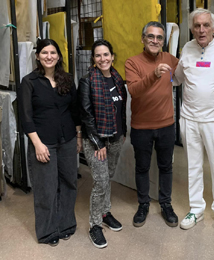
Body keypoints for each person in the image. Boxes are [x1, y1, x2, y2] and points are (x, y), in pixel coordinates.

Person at [173, 8, 214, 233]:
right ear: (191, 28)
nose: (201, 30)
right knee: (194, 167)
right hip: (189, 118)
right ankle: (196, 209)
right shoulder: (187, 49)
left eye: (206, 25)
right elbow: (177, 79)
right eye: (197, 25)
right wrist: (162, 74)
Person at [18, 39, 81, 246]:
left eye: (53, 52)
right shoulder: (29, 82)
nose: (49, 56)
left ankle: (66, 224)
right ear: (37, 56)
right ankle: (47, 231)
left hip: (68, 140)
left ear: (59, 56)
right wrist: (37, 144)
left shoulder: (67, 80)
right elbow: (25, 117)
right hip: (43, 142)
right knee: (46, 187)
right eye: (44, 52)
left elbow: (75, 110)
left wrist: (78, 138)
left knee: (69, 182)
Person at [125, 21, 179, 228]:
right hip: (141, 127)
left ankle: (166, 204)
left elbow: (185, 71)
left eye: (159, 38)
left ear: (163, 41)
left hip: (166, 125)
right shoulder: (132, 62)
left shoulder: (170, 59)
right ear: (143, 39)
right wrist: (154, 74)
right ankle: (143, 204)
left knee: (166, 167)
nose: (155, 41)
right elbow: (134, 91)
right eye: (151, 36)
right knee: (142, 168)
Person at [78, 39, 127, 249]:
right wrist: (98, 143)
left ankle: (105, 213)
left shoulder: (117, 78)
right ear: (93, 59)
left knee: (108, 178)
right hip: (96, 140)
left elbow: (121, 109)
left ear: (112, 56)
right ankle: (94, 225)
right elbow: (86, 115)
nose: (102, 59)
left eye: (106, 54)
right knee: (100, 182)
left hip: (116, 137)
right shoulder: (88, 80)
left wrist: (122, 133)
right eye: (98, 55)